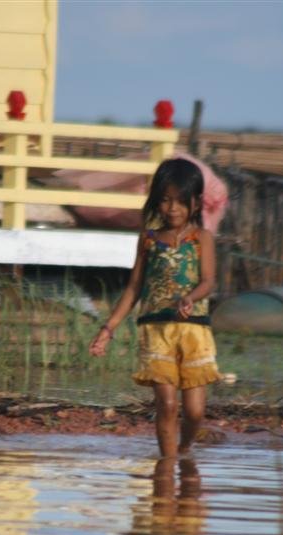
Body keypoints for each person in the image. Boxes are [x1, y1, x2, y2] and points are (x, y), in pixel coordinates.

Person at [89, 158, 221, 457]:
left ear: (196, 203)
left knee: (195, 411)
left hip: (195, 332)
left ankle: (184, 448)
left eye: (180, 201)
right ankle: (167, 464)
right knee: (167, 404)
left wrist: (190, 298)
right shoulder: (149, 240)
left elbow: (209, 281)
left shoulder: (202, 239)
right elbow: (134, 288)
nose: (172, 208)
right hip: (156, 330)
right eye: (164, 200)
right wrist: (108, 328)